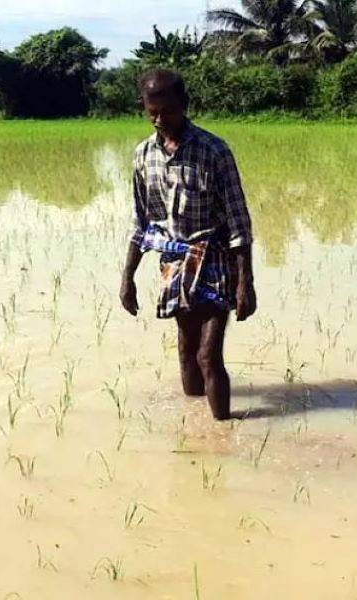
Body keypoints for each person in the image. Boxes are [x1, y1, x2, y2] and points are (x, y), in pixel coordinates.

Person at [119, 68, 257, 420]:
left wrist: (246, 283)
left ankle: (223, 431)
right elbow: (142, 224)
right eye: (153, 112)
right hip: (174, 264)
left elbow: (239, 223)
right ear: (144, 107)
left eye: (168, 110)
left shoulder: (214, 151)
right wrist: (128, 278)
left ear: (184, 103)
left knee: (208, 355)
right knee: (185, 351)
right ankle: (196, 426)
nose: (160, 119)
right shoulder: (143, 156)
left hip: (214, 261)